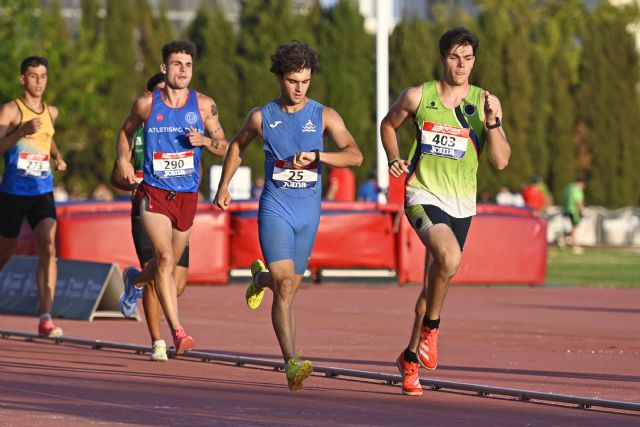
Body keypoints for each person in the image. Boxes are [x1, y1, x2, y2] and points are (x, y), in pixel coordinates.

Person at [214, 41, 362, 391]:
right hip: (276, 208)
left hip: (308, 213)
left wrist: (318, 157)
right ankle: (291, 362)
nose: (299, 88)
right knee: (284, 286)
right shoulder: (261, 116)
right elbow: (236, 145)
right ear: (279, 77)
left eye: (306, 81)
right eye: (293, 80)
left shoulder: (325, 116)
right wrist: (224, 186)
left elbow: (355, 155)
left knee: (288, 289)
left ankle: (258, 280)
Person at [380, 27, 511, 396]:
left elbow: (500, 162)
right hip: (422, 195)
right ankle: (432, 333)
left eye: (468, 58)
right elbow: (388, 125)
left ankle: (409, 358)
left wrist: (494, 122)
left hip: (461, 206)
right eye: (455, 57)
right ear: (442, 59)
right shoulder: (418, 96)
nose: (461, 65)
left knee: (432, 288)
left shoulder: (484, 101)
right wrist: (393, 157)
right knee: (450, 257)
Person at [113, 40, 227, 355]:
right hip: (154, 193)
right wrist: (124, 160)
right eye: (177, 64)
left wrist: (204, 139)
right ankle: (177, 332)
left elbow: (223, 145)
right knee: (163, 259)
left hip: (187, 196)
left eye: (188, 65)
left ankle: (134, 279)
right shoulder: (146, 105)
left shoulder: (204, 105)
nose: (183, 71)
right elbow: (124, 133)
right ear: (164, 68)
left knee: (169, 267)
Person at [110, 72, 192, 362]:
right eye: (160, 93)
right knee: (160, 271)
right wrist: (129, 178)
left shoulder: (185, 125)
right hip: (146, 207)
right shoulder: (139, 132)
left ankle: (135, 280)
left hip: (178, 206)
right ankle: (158, 341)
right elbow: (116, 177)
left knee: (176, 283)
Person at [0, 56, 67, 337]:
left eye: (43, 76)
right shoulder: (11, 111)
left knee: (48, 247)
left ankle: (46, 317)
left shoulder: (52, 112)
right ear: (22, 79)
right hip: (13, 192)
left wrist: (58, 157)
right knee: (5, 253)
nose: (39, 81)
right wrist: (19, 132)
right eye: (33, 76)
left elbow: (47, 140)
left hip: (42, 190)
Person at [562, 174, 587, 253]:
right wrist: (582, 210)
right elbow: (578, 201)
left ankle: (565, 240)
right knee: (575, 228)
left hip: (566, 209)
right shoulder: (577, 190)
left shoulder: (568, 187)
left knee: (570, 227)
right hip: (574, 211)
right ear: (582, 183)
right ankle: (575, 245)